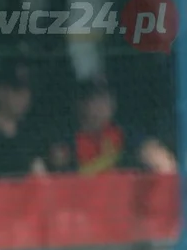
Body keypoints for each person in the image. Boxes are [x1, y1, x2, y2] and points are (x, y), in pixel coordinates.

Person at [47, 75, 176, 176]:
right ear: (81, 103)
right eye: (96, 98)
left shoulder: (123, 134)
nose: (105, 104)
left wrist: (160, 159)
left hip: (120, 206)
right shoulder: (68, 141)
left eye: (107, 96)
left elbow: (153, 153)